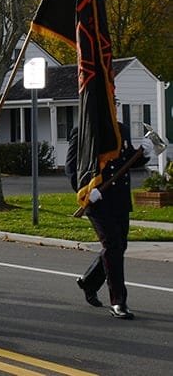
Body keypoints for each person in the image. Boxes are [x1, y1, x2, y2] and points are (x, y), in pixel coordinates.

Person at [66, 119, 154, 319]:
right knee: (113, 245)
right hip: (98, 200)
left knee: (118, 245)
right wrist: (86, 193)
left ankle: (89, 282)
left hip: (120, 199)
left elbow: (125, 160)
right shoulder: (82, 130)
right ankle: (118, 301)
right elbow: (72, 167)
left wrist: (144, 152)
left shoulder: (120, 128)